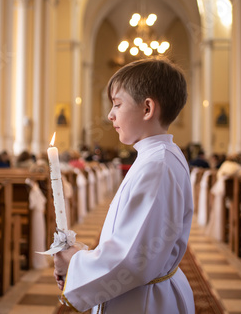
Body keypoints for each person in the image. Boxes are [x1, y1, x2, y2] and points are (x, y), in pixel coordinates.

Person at [54, 58, 194, 313]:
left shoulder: (157, 165)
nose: (110, 115)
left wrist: (74, 263)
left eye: (117, 104)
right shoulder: (157, 156)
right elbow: (134, 237)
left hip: (143, 303)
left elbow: (133, 259)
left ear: (147, 108)